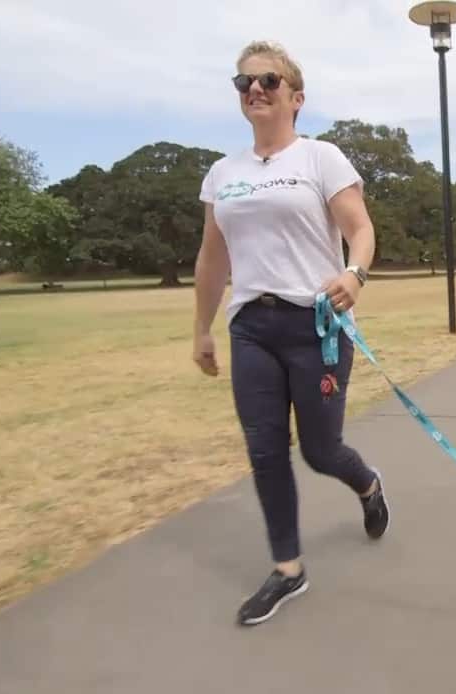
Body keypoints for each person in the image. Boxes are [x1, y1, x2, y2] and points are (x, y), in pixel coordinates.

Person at [191, 40, 390, 627]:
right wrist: (201, 328)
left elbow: (360, 228)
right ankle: (288, 569)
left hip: (315, 325)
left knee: (320, 450)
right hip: (251, 327)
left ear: (295, 97)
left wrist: (355, 274)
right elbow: (211, 259)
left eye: (268, 80)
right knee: (264, 451)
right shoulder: (222, 175)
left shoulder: (320, 159)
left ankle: (368, 485)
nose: (255, 88)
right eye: (244, 81)